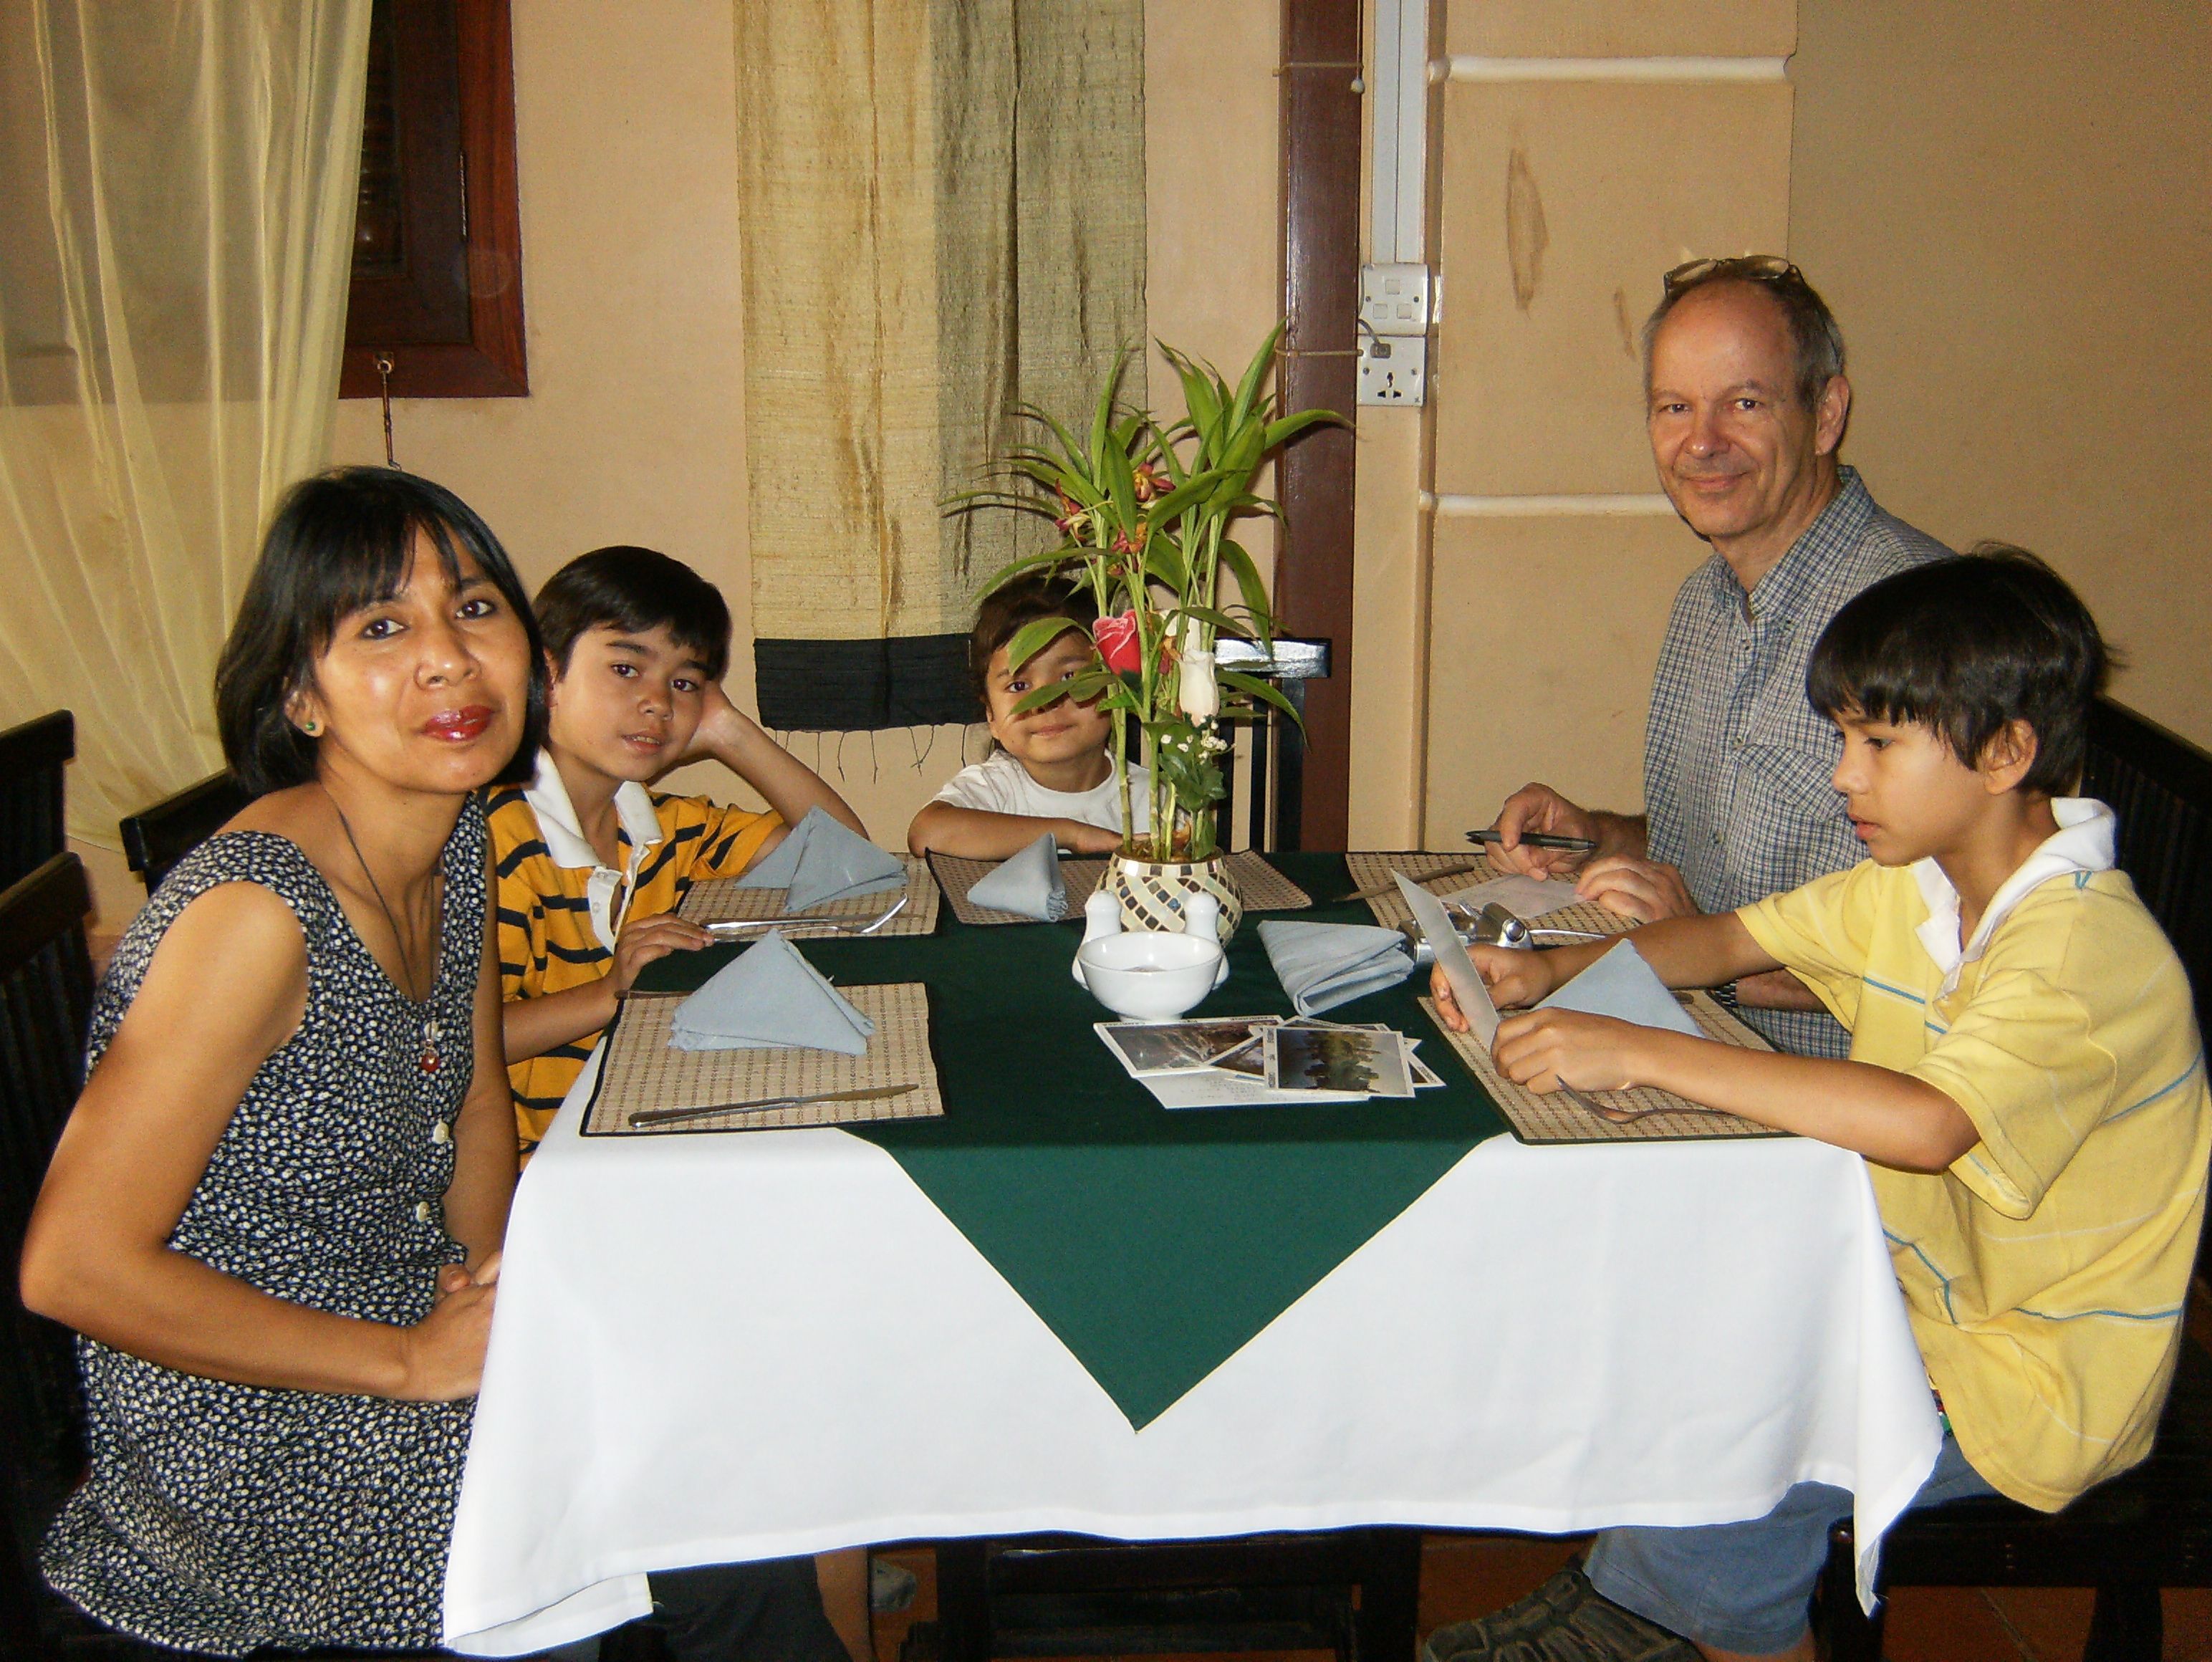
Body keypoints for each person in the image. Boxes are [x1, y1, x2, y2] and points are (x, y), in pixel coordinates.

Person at [19, 469, 848, 1661]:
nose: (448, 661)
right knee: (661, 1512)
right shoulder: (255, 915)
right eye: (380, 627)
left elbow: (472, 1101)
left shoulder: (449, 843)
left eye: (471, 609)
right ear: (301, 695)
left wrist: (500, 1281)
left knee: (727, 1448)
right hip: (255, 1421)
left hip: (402, 1307)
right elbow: (72, 1268)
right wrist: (413, 1359)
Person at [1428, 549, 2211, 1662]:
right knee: (1662, 1305)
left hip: (2032, 1387)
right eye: (1844, 739)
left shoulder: (2083, 950)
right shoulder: (1917, 886)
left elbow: (1927, 1125)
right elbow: (1727, 940)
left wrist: (1643, 1050)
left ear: (2005, 752)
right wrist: (1549, 973)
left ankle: (1666, 1612)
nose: (1844, 775)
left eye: (1877, 744)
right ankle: (1642, 1598)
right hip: (1907, 1300)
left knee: (1733, 1438)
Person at [1485, 256, 1948, 1060]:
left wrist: (1701, 949)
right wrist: (1598, 839)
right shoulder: (1705, 602)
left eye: (1744, 403)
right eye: (1675, 407)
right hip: (1693, 1037)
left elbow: (1957, 954)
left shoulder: (1921, 624)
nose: (1701, 442)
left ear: (1826, 413)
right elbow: (1716, 850)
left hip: (1837, 1090)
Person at [491, 545, 866, 1161]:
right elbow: (457, 1045)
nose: (659, 703)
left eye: (684, 683)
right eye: (625, 668)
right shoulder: (493, 843)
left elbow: (847, 857)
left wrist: (731, 734)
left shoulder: (671, 828)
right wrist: (609, 990)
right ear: (546, 675)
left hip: (648, 1120)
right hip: (545, 1167)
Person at [908, 575, 1150, 858]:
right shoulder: (995, 789)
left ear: (1115, 686)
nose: (1045, 702)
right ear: (991, 716)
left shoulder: (1156, 802)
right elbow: (927, 834)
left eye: (1069, 677)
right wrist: (1071, 835)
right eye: (1019, 686)